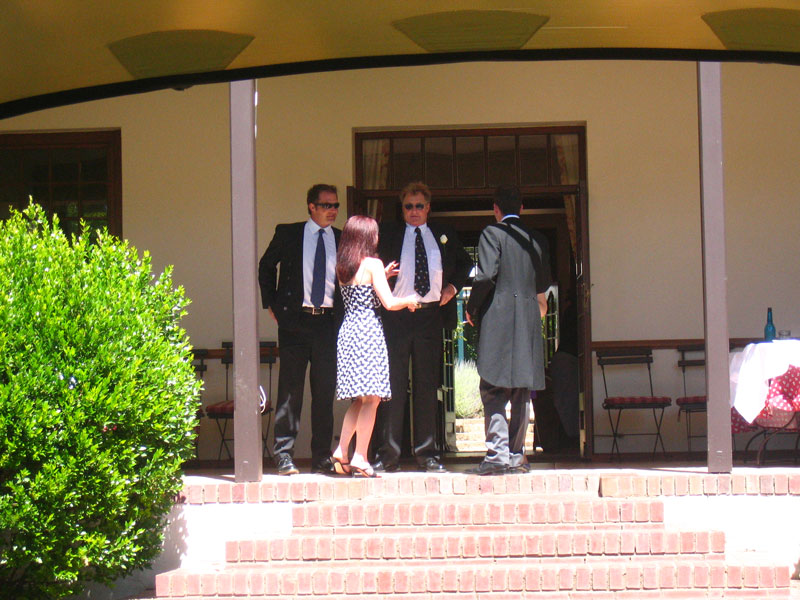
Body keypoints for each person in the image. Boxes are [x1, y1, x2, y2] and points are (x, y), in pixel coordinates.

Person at [373, 181, 472, 473]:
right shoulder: (388, 233)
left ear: (428, 207)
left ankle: (427, 454)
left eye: (419, 206)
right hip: (397, 317)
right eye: (408, 206)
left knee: (427, 386)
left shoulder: (444, 234)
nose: (414, 211)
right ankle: (388, 454)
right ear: (402, 209)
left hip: (430, 316)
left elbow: (466, 263)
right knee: (392, 386)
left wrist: (453, 288)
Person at [465, 184, 552, 475]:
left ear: (496, 209)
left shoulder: (493, 233)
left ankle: (497, 454)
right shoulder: (536, 240)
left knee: (492, 387)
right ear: (522, 208)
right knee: (520, 390)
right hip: (528, 317)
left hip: (499, 317)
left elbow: (487, 274)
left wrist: (472, 307)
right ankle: (516, 454)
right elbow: (542, 288)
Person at [258, 184, 342, 475]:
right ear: (311, 206)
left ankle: (321, 458)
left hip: (328, 324)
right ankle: (283, 455)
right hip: (295, 322)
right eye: (326, 205)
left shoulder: (341, 239)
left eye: (335, 206)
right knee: (290, 392)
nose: (332, 211)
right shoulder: (289, 233)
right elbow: (266, 266)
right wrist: (271, 303)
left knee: (324, 393)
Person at [330, 216, 419, 478]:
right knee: (373, 398)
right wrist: (410, 300)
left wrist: (384, 276)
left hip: (348, 331)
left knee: (360, 398)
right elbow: (390, 303)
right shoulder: (373, 264)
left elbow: (364, 291)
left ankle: (342, 451)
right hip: (368, 331)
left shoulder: (343, 266)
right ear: (368, 237)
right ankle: (360, 456)